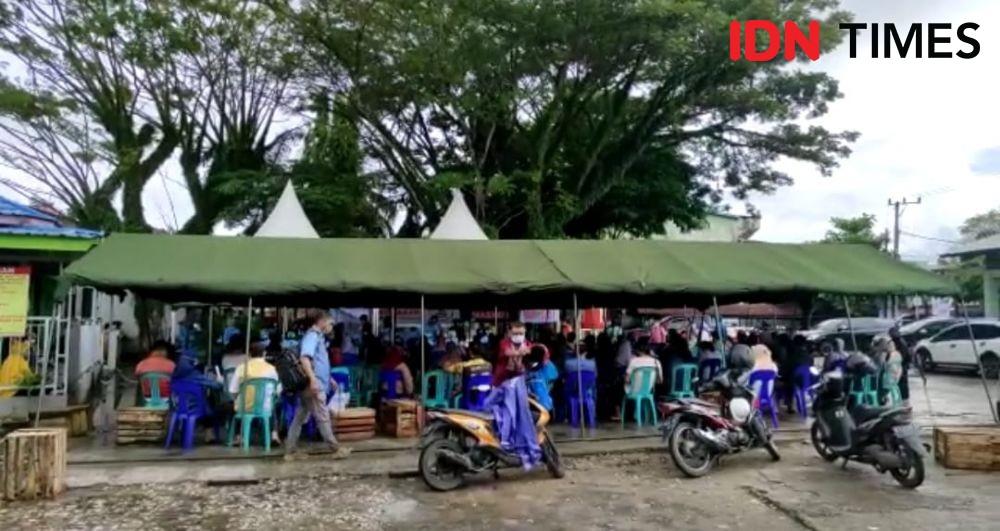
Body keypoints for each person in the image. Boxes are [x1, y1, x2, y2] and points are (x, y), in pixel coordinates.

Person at [285, 311, 348, 460]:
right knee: (322, 416)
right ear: (323, 321)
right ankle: (335, 448)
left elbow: (318, 362)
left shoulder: (317, 337)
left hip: (316, 382)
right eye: (331, 323)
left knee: (299, 417)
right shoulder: (312, 336)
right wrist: (313, 380)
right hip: (313, 384)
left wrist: (329, 378)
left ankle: (290, 451)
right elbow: (305, 358)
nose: (331, 327)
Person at [229, 343, 282, 445]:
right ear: (264, 354)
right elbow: (277, 390)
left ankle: (239, 436)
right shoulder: (271, 369)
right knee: (272, 405)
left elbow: (233, 390)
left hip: (244, 407)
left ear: (249, 354)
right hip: (265, 407)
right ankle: (274, 434)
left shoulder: (241, 368)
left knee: (236, 405)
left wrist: (237, 399)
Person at [889, 326, 913, 405]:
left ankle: (904, 400)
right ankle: (903, 399)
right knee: (901, 383)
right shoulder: (897, 341)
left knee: (902, 383)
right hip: (901, 364)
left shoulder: (900, 343)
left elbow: (902, 356)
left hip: (902, 365)